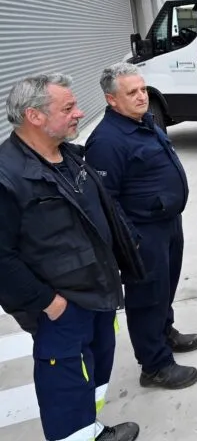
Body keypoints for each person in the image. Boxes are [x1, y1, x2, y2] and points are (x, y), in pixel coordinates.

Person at [0, 74, 145, 441]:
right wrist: (49, 303)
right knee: (65, 390)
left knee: (93, 376)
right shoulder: (7, 177)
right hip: (61, 308)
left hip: (97, 293)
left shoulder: (69, 155)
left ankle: (92, 430)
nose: (79, 112)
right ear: (34, 116)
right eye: (68, 108)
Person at [85, 63, 197, 391]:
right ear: (112, 100)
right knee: (147, 297)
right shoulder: (107, 141)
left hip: (167, 223)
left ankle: (164, 333)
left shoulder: (143, 122)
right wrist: (130, 241)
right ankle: (154, 365)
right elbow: (106, 201)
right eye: (131, 93)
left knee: (164, 288)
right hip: (142, 232)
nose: (141, 97)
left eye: (142, 89)